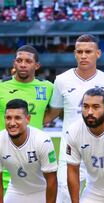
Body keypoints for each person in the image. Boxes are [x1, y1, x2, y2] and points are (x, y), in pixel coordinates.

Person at [44, 34, 104, 203]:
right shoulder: (62, 80)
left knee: (100, 195)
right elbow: (54, 111)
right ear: (74, 54)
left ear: (98, 53)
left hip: (101, 149)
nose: (84, 55)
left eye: (88, 51)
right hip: (70, 146)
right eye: (79, 51)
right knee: (64, 193)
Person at [0, 45, 53, 191]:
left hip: (34, 154)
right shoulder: (1, 86)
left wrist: (35, 122)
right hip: (5, 152)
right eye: (19, 60)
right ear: (14, 63)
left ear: (36, 66)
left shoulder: (47, 87)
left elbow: (54, 111)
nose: (23, 64)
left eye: (28, 61)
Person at [0, 99, 57, 202]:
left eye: (17, 118)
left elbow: (52, 180)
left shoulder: (43, 140)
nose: (12, 123)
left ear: (28, 119)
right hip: (15, 191)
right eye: (8, 118)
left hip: (41, 192)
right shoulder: (0, 140)